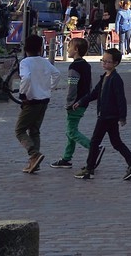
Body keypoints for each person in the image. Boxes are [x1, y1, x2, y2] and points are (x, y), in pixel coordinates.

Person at [73, 48, 131, 181]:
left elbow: (121, 98)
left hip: (107, 116)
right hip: (106, 115)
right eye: (103, 61)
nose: (104, 63)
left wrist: (123, 117)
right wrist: (81, 101)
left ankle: (89, 169)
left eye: (107, 62)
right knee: (116, 142)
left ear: (115, 63)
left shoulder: (116, 79)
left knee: (94, 142)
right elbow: (94, 93)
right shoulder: (105, 77)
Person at [14, 33, 60, 173]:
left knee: (20, 130)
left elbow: (26, 77)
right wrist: (49, 88)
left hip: (31, 100)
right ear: (41, 48)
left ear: (26, 48)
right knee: (34, 130)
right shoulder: (44, 61)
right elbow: (57, 73)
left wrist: (22, 93)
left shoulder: (25, 62)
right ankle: (35, 163)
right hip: (44, 101)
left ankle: (34, 154)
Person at [51, 37, 94, 168]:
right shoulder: (86, 65)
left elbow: (72, 86)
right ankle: (66, 157)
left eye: (69, 47)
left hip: (75, 103)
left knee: (71, 132)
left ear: (75, 50)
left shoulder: (74, 66)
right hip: (83, 101)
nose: (67, 50)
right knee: (71, 130)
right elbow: (89, 85)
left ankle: (93, 148)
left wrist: (69, 102)